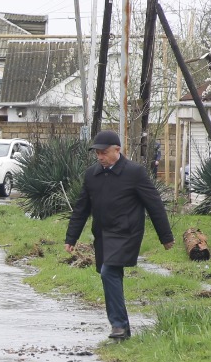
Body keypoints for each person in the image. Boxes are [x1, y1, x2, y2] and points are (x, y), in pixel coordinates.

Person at [63, 130, 175, 341]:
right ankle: (124, 330)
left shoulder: (135, 173)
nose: (100, 157)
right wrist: (71, 238)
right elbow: (81, 209)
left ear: (117, 150)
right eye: (97, 153)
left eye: (103, 153)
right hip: (103, 235)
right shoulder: (91, 175)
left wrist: (165, 236)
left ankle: (118, 325)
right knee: (111, 275)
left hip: (127, 233)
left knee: (109, 272)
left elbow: (154, 205)